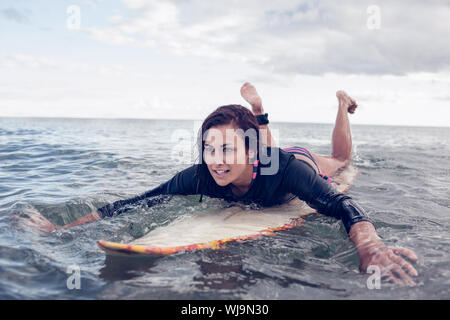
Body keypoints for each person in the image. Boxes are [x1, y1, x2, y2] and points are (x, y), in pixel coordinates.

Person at [17, 83, 418, 286]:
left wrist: (370, 247)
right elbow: (133, 203)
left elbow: (343, 207)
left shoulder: (288, 169)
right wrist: (60, 229)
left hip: (303, 161)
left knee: (343, 161)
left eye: (226, 149)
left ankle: (340, 106)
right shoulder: (200, 175)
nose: (216, 159)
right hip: (262, 155)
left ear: (247, 148)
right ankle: (260, 117)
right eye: (209, 148)